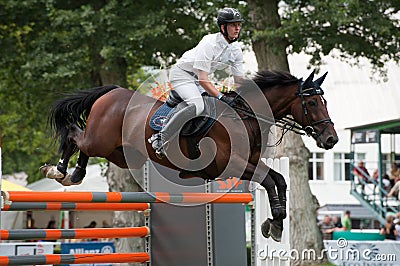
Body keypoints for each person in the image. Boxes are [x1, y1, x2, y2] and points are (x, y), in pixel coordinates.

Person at [149, 7, 245, 156]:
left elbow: (239, 81)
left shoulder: (236, 50)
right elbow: (203, 79)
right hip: (183, 75)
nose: (237, 28)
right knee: (198, 105)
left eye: (239, 24)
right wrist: (221, 97)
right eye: (233, 24)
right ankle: (161, 137)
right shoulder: (209, 43)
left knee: (214, 107)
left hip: (197, 80)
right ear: (223, 27)